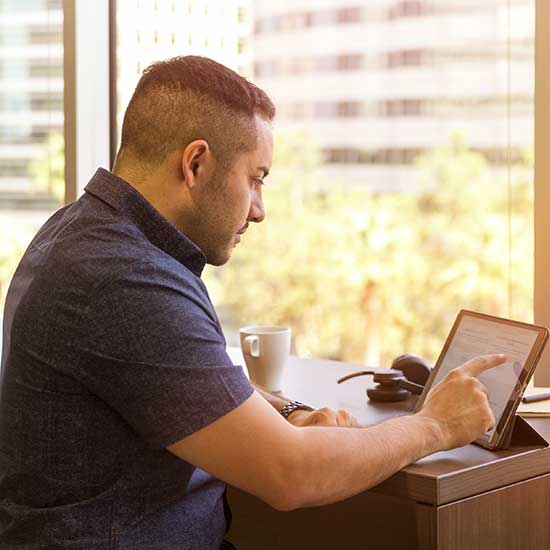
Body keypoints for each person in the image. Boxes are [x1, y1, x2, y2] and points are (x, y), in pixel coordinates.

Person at [0, 55, 505, 549]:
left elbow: (180, 378)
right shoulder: (127, 278)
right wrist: (434, 425)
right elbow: (291, 475)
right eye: (256, 179)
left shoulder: (79, 232)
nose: (259, 210)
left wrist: (288, 413)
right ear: (195, 163)